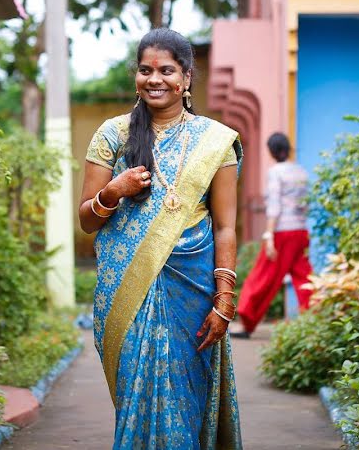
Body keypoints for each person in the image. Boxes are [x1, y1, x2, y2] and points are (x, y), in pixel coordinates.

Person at [79, 28, 243, 449]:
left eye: (166, 70)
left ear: (186, 78)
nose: (154, 79)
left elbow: (226, 226)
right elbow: (86, 220)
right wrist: (113, 191)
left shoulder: (215, 142)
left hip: (193, 291)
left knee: (186, 401)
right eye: (145, 70)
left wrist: (225, 300)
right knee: (136, 397)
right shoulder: (112, 135)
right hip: (125, 293)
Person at [232, 133, 313, 339]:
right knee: (304, 276)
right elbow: (306, 204)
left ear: (271, 151)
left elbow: (274, 206)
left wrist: (268, 236)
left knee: (262, 276)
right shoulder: (301, 172)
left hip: (282, 232)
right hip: (301, 231)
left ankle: (246, 320)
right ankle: (317, 318)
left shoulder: (276, 173)